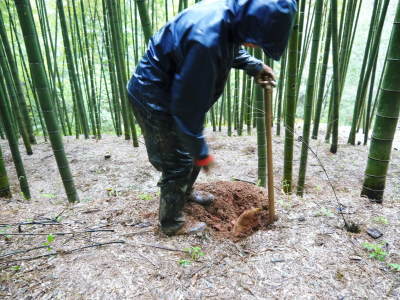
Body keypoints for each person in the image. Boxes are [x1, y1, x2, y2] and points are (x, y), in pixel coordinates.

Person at [127, 0, 297, 236]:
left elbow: (231, 46)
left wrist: (254, 65)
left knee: (189, 154)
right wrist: (200, 152)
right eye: (257, 41)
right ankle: (171, 222)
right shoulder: (207, 39)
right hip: (154, 97)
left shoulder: (230, 17)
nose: (254, 46)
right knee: (179, 161)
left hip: (171, 91)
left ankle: (185, 194)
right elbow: (186, 106)